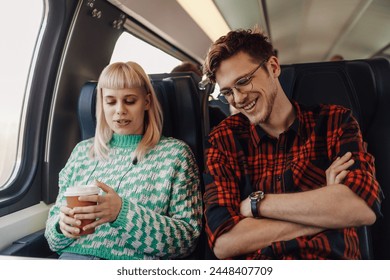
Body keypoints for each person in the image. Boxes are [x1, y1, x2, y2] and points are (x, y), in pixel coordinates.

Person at [202, 28, 383, 259]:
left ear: (274, 67)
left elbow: (361, 209)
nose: (238, 99)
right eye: (228, 92)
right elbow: (225, 243)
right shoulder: (223, 140)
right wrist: (327, 212)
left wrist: (258, 205)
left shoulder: (334, 122)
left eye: (244, 81)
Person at [45, 61, 202, 260]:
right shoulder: (82, 153)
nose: (119, 110)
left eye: (129, 101)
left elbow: (186, 240)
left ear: (146, 102)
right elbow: (52, 240)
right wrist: (61, 226)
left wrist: (122, 213)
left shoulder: (176, 155)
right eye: (110, 102)